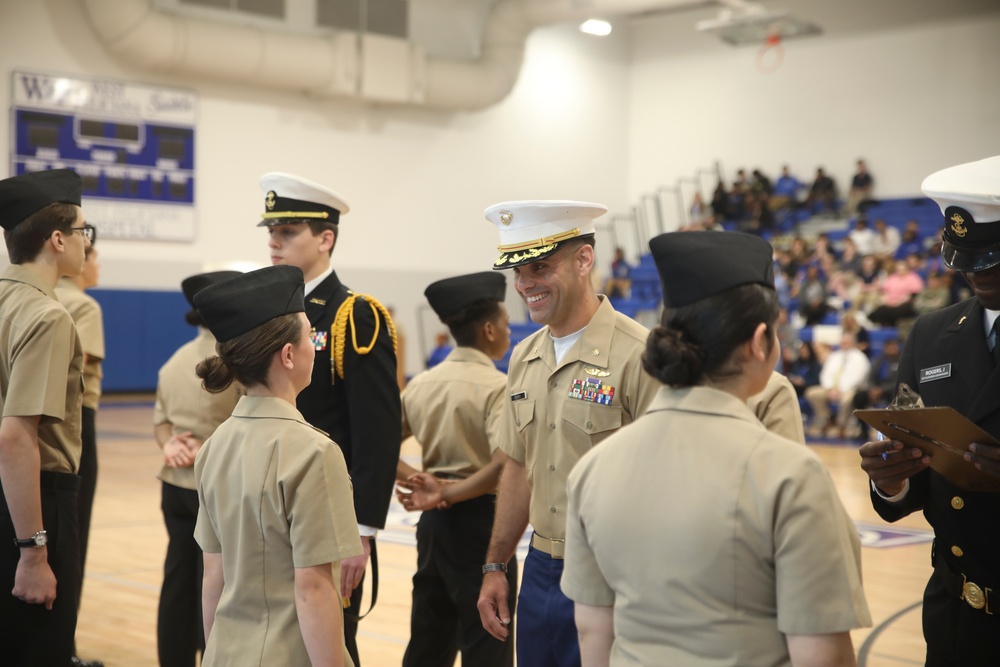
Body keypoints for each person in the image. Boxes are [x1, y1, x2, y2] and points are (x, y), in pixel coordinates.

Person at [561, 230, 871, 667]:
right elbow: (821, 656)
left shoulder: (591, 469)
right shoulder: (789, 474)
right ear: (760, 341)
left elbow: (593, 632)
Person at [476, 200, 660, 667]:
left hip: (612, 570)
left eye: (540, 266)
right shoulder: (523, 356)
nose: (524, 284)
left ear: (584, 260)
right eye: (517, 271)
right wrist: (497, 564)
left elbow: (666, 483)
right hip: (539, 568)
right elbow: (517, 465)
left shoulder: (640, 356)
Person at [860, 155, 1000, 666]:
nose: (975, 274)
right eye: (964, 258)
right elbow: (924, 463)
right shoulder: (931, 334)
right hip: (957, 612)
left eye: (992, 256)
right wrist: (891, 480)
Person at [259, 172, 400, 666]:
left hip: (329, 514)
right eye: (272, 231)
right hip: (273, 507)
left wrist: (360, 530)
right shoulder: (272, 314)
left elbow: (376, 431)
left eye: (289, 232)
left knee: (331, 644)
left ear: (326, 238)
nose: (274, 241)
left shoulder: (352, 315)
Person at [193, 265, 363, 667]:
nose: (314, 346)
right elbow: (314, 590)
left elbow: (213, 576)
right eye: (309, 336)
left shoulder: (214, 446)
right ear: (288, 355)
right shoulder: (313, 452)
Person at [394, 271, 517, 667]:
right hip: (483, 525)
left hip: (432, 527)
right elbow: (502, 467)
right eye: (505, 324)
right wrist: (445, 491)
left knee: (429, 642)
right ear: (488, 330)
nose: (509, 332)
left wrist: (418, 484)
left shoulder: (421, 384)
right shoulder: (498, 387)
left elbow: (378, 449)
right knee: (488, 645)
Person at [0, 169, 91, 666]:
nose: (85, 243)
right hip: (35, 501)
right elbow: (16, 437)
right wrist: (33, 553)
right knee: (40, 647)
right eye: (83, 231)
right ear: (58, 239)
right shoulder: (47, 314)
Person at [153, 270, 242, 667]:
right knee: (219, 585)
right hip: (218, 489)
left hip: (174, 484)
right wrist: (205, 447)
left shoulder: (172, 363)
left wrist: (171, 445)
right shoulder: (232, 365)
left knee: (177, 581)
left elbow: (161, 425)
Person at [54, 237, 105, 667]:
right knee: (72, 541)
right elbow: (73, 366)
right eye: (95, 255)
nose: (98, 263)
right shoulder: (83, 306)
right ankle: (63, 647)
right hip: (75, 425)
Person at [804, 332, 871, 438]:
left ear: (853, 343)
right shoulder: (834, 356)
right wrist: (830, 388)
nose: (844, 344)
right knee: (812, 393)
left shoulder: (860, 358)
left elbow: (857, 377)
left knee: (847, 400)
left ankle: (841, 425)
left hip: (850, 389)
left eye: (847, 342)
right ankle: (828, 418)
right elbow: (825, 374)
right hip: (831, 389)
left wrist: (840, 389)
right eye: (843, 342)